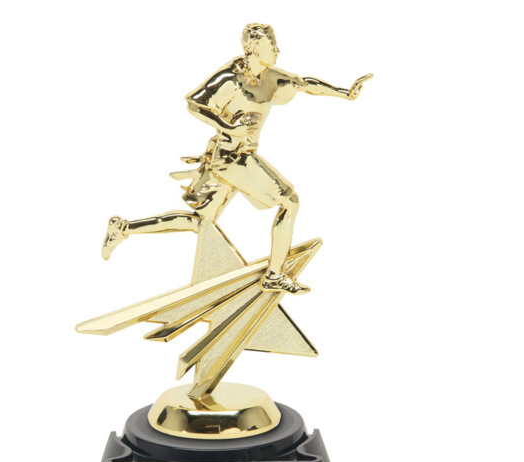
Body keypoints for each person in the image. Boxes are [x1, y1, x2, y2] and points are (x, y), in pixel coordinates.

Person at [102, 23, 371, 294]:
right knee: (289, 201)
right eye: (272, 45)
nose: (278, 50)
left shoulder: (272, 78)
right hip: (232, 159)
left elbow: (305, 84)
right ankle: (274, 275)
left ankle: (123, 227)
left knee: (201, 222)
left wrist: (344, 93)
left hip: (231, 161)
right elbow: (195, 104)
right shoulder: (231, 77)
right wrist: (227, 126)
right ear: (254, 47)